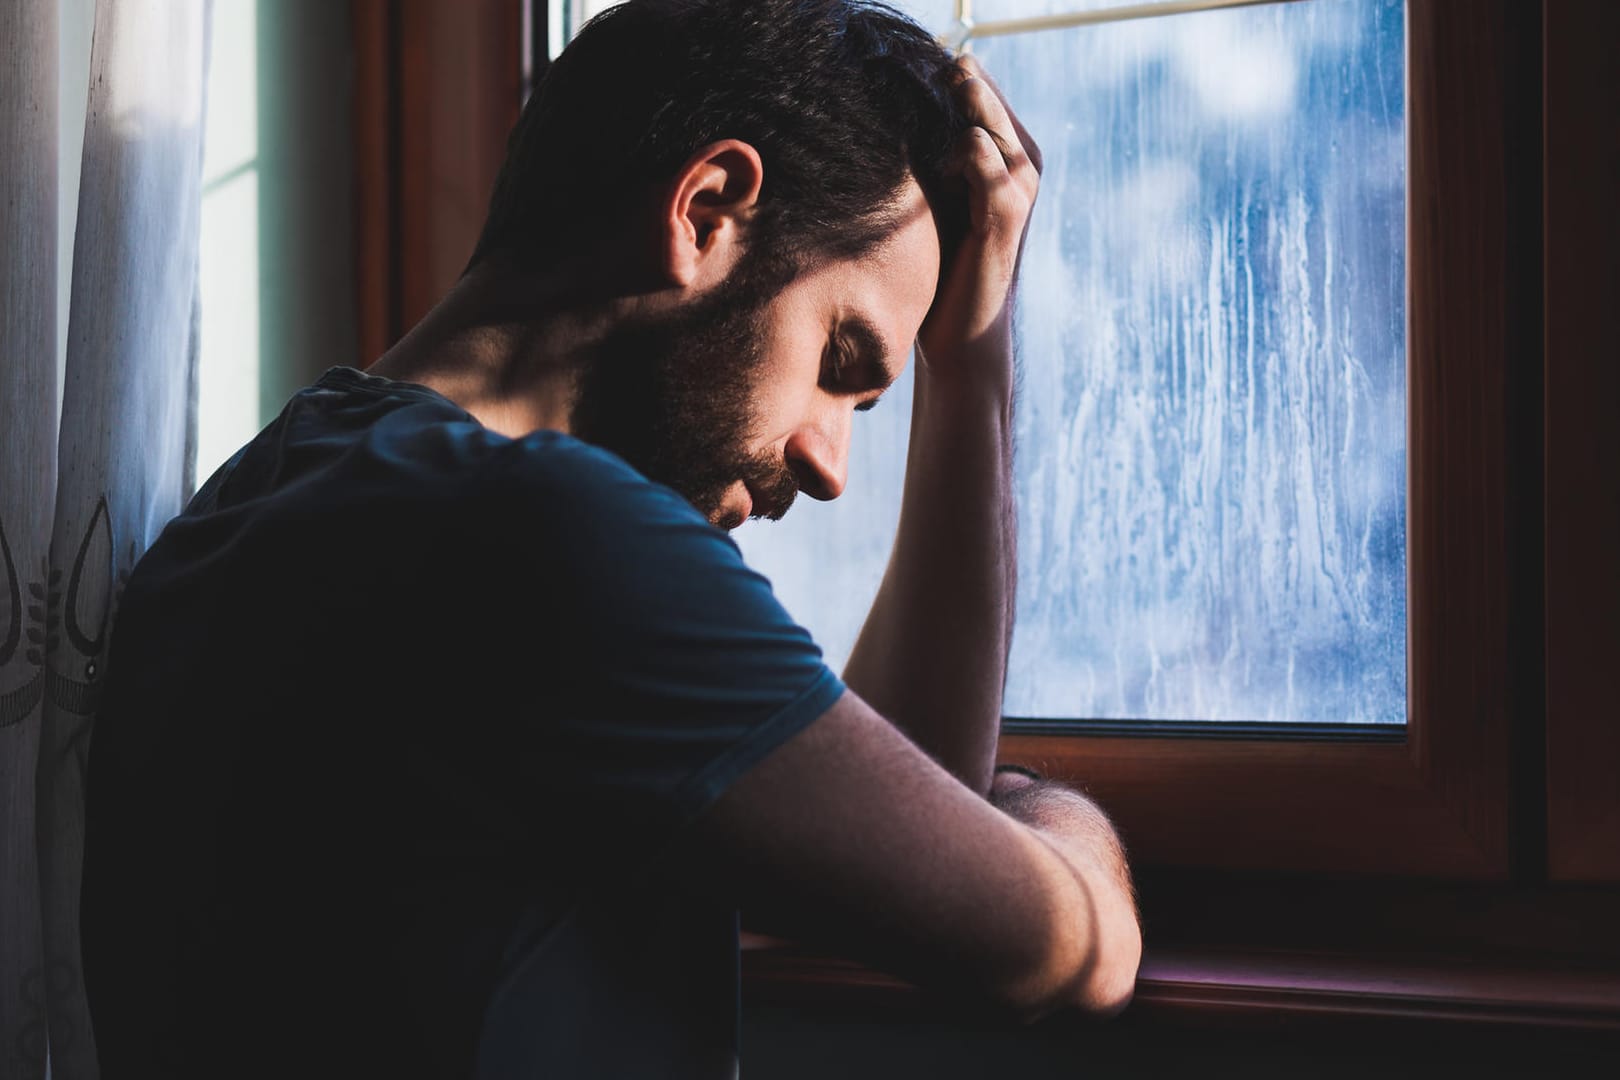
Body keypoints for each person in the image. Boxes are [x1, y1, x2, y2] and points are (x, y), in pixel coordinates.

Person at [79, 1, 1141, 1076]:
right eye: (841, 358)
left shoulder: (261, 500)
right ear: (708, 209)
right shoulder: (555, 536)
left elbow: (902, 839)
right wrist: (1048, 813)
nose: (828, 468)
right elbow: (1055, 950)